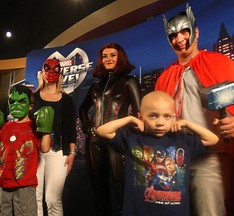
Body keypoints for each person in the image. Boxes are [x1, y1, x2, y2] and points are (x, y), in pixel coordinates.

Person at [155, 4, 234, 216]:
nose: (179, 39)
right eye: (173, 35)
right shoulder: (164, 77)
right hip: (174, 161)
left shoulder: (219, 63)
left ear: (196, 32)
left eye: (184, 31)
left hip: (211, 156)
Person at [96, 90, 219, 216]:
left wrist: (187, 123)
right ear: (141, 116)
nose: (160, 123)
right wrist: (130, 119)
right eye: (153, 116)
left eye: (167, 116)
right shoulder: (132, 139)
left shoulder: (182, 140)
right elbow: (102, 131)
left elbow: (213, 139)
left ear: (174, 117)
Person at [79, 42, 142, 216]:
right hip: (94, 140)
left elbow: (139, 113)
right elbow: (83, 109)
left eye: (112, 55)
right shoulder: (95, 86)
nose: (108, 59)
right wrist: (86, 125)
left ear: (120, 57)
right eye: (105, 56)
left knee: (120, 188)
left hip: (117, 139)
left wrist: (133, 137)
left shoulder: (129, 81)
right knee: (99, 191)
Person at [30, 59, 77, 216]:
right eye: (47, 68)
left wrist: (72, 153)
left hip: (57, 152)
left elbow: (70, 128)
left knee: (52, 199)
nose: (50, 72)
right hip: (34, 152)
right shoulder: (33, 98)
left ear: (60, 73)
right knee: (34, 197)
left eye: (54, 69)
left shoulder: (66, 99)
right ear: (42, 72)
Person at [0, 84, 54, 216]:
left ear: (30, 105)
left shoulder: (34, 126)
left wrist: (46, 130)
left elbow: (45, 149)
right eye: (12, 102)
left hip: (24, 185)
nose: (16, 105)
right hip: (3, 184)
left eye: (22, 101)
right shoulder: (6, 126)